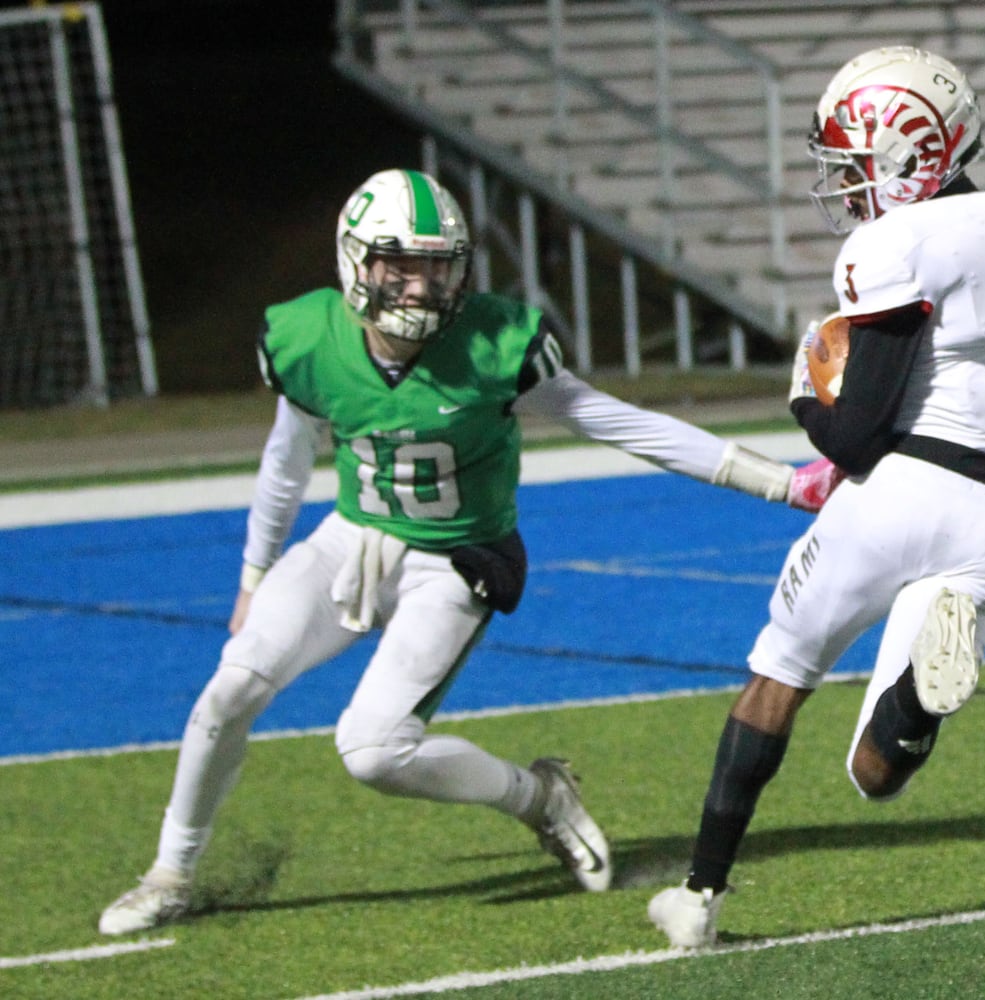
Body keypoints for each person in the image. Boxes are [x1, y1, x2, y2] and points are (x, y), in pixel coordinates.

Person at [98, 168, 843, 935]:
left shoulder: (495, 343)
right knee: (228, 691)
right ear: (356, 261)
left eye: (437, 264)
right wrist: (254, 576)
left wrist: (777, 482)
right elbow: (285, 461)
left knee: (374, 751)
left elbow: (621, 423)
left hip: (453, 563)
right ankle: (170, 873)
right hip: (348, 541)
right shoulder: (308, 338)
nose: (420, 285)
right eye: (400, 263)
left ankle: (537, 796)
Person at [648, 45, 985, 948]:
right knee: (874, 770)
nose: (845, 189)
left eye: (855, 168)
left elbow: (852, 435)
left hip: (896, 490)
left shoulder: (898, 242)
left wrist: (806, 395)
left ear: (909, 155)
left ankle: (698, 898)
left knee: (778, 675)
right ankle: (911, 709)